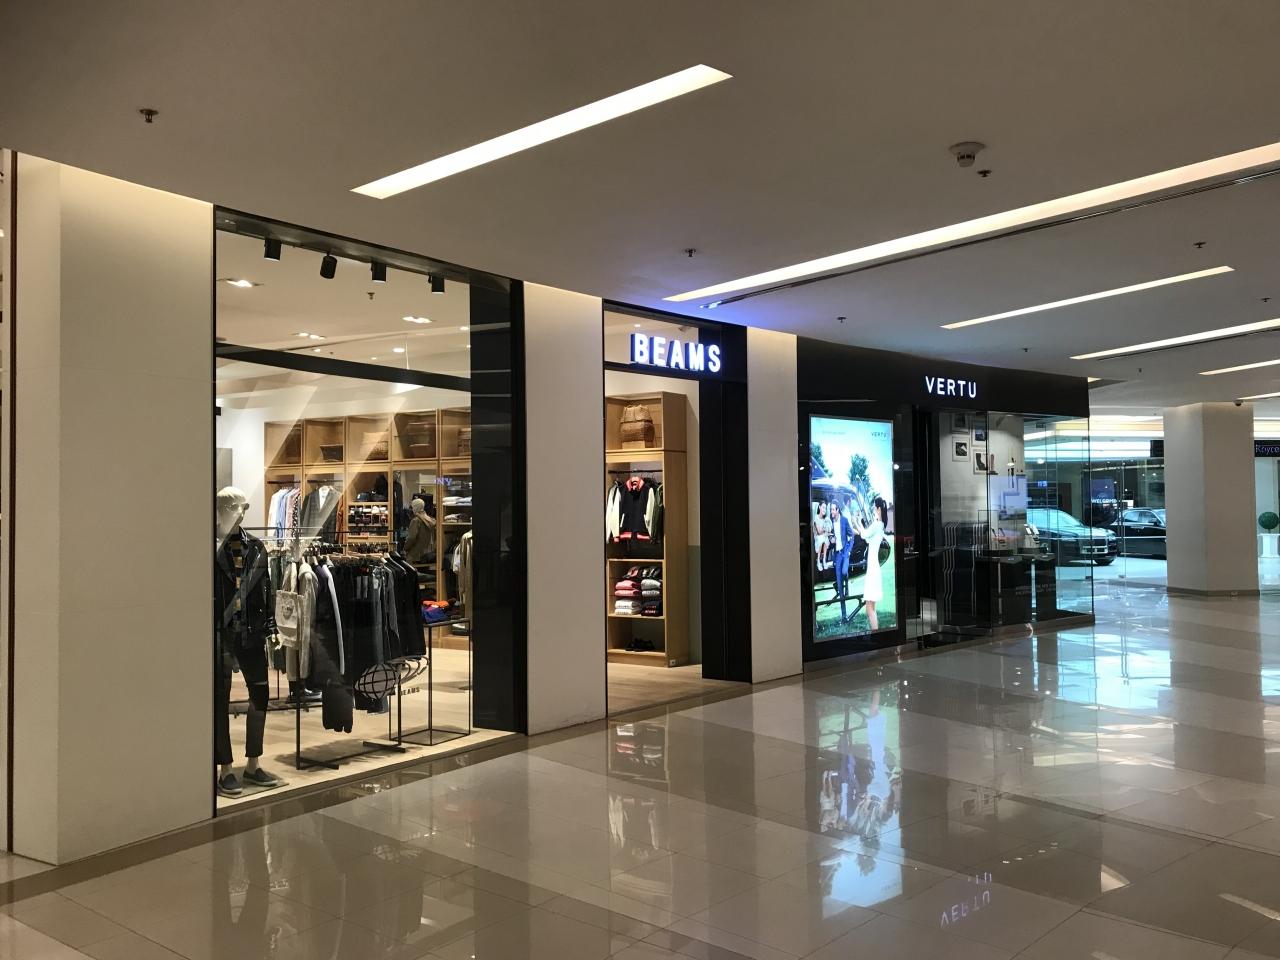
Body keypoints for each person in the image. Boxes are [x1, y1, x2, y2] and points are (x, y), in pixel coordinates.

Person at [853, 496, 888, 630]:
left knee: (869, 609)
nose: (873, 508)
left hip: (873, 570)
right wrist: (858, 523)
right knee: (871, 608)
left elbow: (864, 534)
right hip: (873, 569)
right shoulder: (880, 525)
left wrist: (857, 521)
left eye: (874, 506)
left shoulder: (877, 525)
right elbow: (867, 538)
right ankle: (876, 634)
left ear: (878, 509)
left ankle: (876, 634)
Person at [832, 495, 855, 621]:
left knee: (845, 572)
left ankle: (847, 586)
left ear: (837, 510)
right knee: (839, 586)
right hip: (837, 555)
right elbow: (831, 537)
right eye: (831, 510)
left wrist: (849, 550)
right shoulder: (831, 522)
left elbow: (852, 536)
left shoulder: (844, 520)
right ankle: (844, 616)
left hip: (845, 553)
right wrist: (831, 539)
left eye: (833, 509)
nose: (831, 512)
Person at [813, 502, 830, 568]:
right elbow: (819, 531)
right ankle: (818, 561)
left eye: (825, 508)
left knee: (825, 539)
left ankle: (824, 560)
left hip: (823, 536)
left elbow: (827, 530)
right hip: (817, 536)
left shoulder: (825, 519)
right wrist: (825, 529)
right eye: (823, 507)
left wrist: (826, 531)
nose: (824, 510)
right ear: (819, 507)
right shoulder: (816, 517)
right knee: (821, 539)